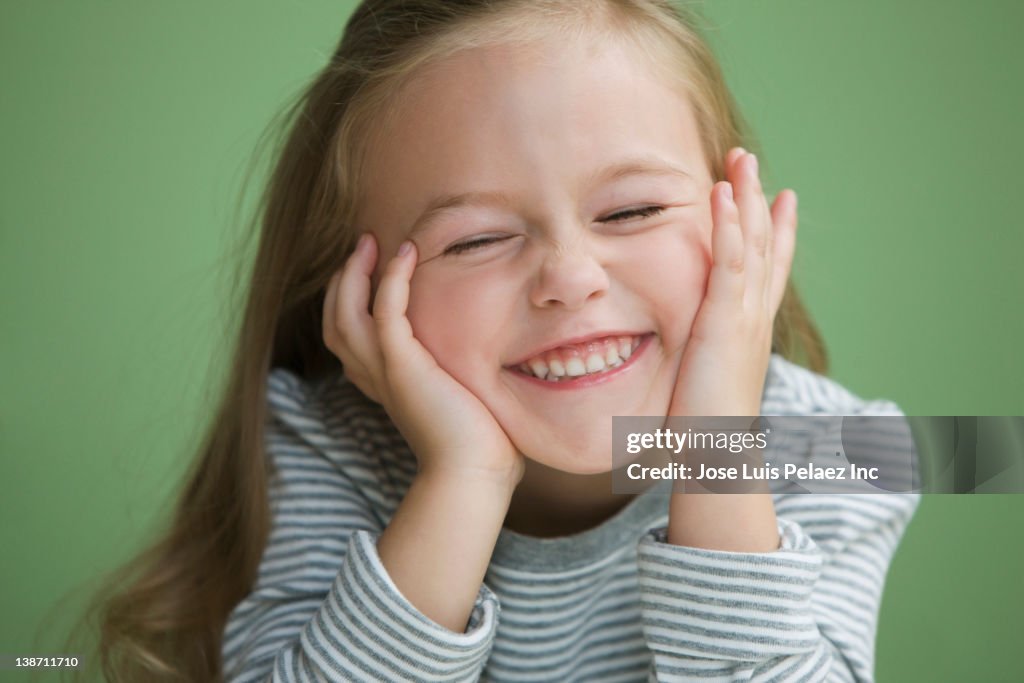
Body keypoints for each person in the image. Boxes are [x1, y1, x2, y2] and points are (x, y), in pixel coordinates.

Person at [83, 1, 918, 681]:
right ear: (365, 291)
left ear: (737, 217)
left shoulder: (851, 450)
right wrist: (464, 477)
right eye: (475, 240)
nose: (569, 276)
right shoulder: (333, 441)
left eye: (630, 211)